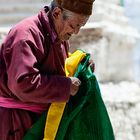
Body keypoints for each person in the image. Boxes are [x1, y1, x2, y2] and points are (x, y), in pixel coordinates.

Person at [0, 0, 95, 139]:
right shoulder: (25, 35)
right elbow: (23, 84)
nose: (76, 32)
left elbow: (52, 66)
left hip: (39, 122)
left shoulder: (58, 36)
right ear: (57, 13)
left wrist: (81, 66)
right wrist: (66, 86)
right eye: (73, 26)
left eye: (81, 26)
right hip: (16, 123)